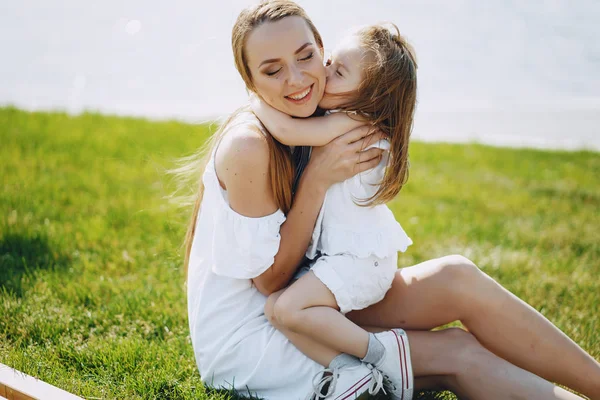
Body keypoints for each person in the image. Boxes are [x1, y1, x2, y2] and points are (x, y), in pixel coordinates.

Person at [183, 1, 600, 399]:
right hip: (255, 336)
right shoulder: (249, 145)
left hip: (307, 298)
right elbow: (268, 283)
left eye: (306, 56)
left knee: (458, 278)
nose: (295, 79)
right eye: (272, 70)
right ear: (250, 82)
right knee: (459, 353)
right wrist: (316, 181)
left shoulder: (317, 115)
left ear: (323, 52)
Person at [248, 22, 419, 400]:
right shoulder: (340, 119)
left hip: (361, 260)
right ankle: (349, 371)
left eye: (338, 71)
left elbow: (286, 131)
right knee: (278, 310)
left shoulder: (359, 123)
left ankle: (385, 355)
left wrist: (257, 97)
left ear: (370, 96)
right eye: (329, 61)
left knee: (289, 308)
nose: (323, 72)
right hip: (349, 258)